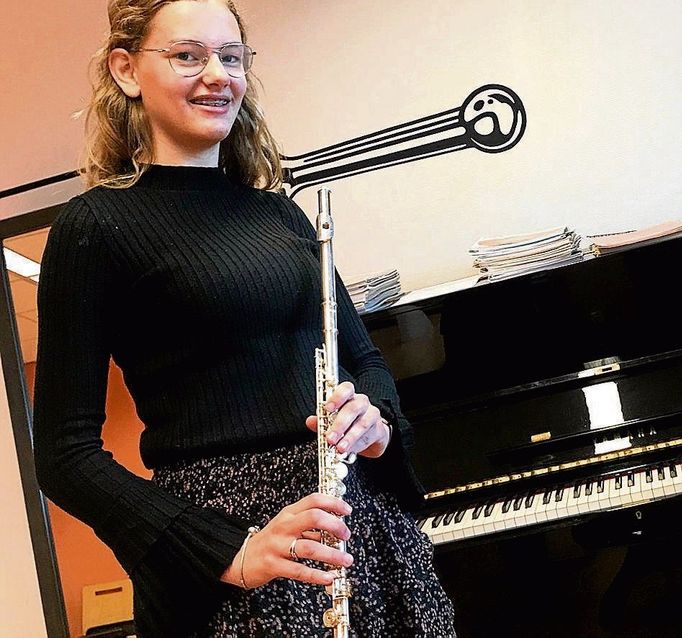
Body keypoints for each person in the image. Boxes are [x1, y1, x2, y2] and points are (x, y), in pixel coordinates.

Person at [32, 1, 455, 636]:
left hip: (354, 520)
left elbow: (364, 359)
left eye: (231, 57)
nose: (217, 75)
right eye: (187, 56)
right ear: (125, 70)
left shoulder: (279, 212)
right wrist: (229, 551)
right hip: (237, 537)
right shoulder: (93, 228)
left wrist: (377, 425)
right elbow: (65, 454)